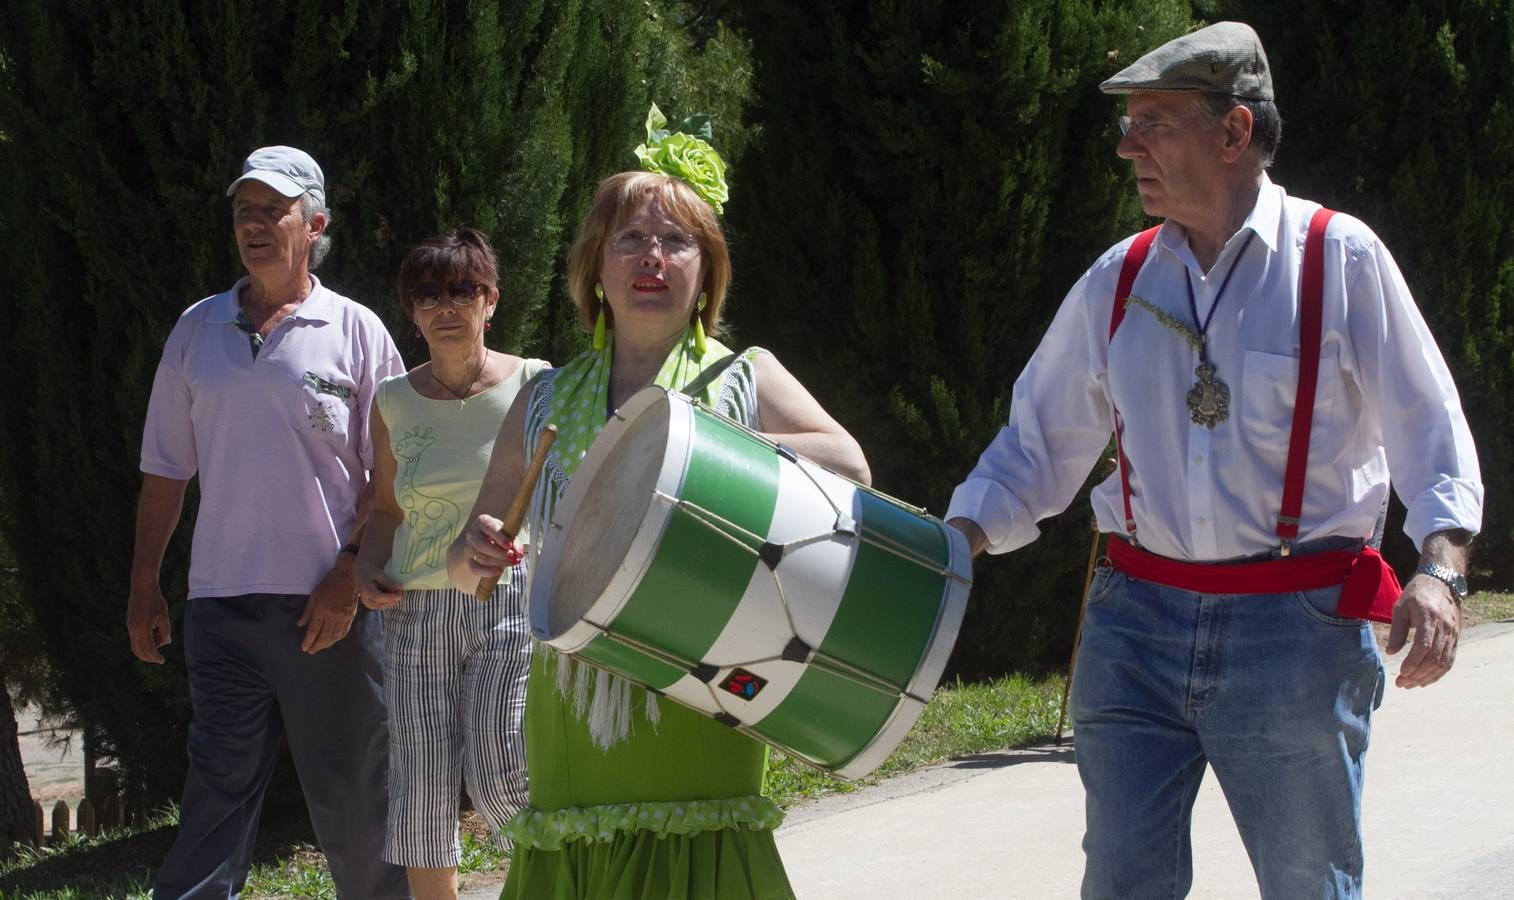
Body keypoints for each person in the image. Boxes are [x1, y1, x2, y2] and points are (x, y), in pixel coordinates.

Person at [945, 22, 1482, 900]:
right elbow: (1036, 446)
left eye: (1152, 122)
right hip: (1133, 624)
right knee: (1121, 882)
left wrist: (1441, 569)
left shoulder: (1337, 260)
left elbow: (1432, 429)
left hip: (1296, 631)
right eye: (1129, 126)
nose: (1126, 148)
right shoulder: (1119, 278)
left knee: (1308, 885)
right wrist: (952, 544)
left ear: (1234, 132)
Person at [447, 111, 871, 900]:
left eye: (677, 241)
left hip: (705, 681)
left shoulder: (744, 375)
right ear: (595, 272)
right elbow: (467, 559)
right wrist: (472, 548)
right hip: (575, 697)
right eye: (629, 239)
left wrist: (711, 445)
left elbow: (851, 464)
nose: (652, 256)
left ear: (706, 272)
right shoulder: (542, 399)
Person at [127, 145, 410, 898]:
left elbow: (394, 477)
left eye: (272, 210)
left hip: (328, 613)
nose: (254, 225)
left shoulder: (355, 331)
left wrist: (348, 578)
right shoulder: (197, 329)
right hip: (219, 610)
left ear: (314, 224)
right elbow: (165, 469)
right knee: (215, 798)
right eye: (243, 212)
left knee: (357, 804)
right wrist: (145, 586)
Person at [353, 227, 548, 899]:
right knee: (423, 792)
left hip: (508, 598)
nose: (445, 305)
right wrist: (363, 570)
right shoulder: (390, 399)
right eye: (426, 293)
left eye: (462, 289)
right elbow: (384, 510)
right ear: (410, 309)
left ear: (490, 300)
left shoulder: (535, 382)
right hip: (413, 609)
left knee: (505, 772)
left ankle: (568, 881)